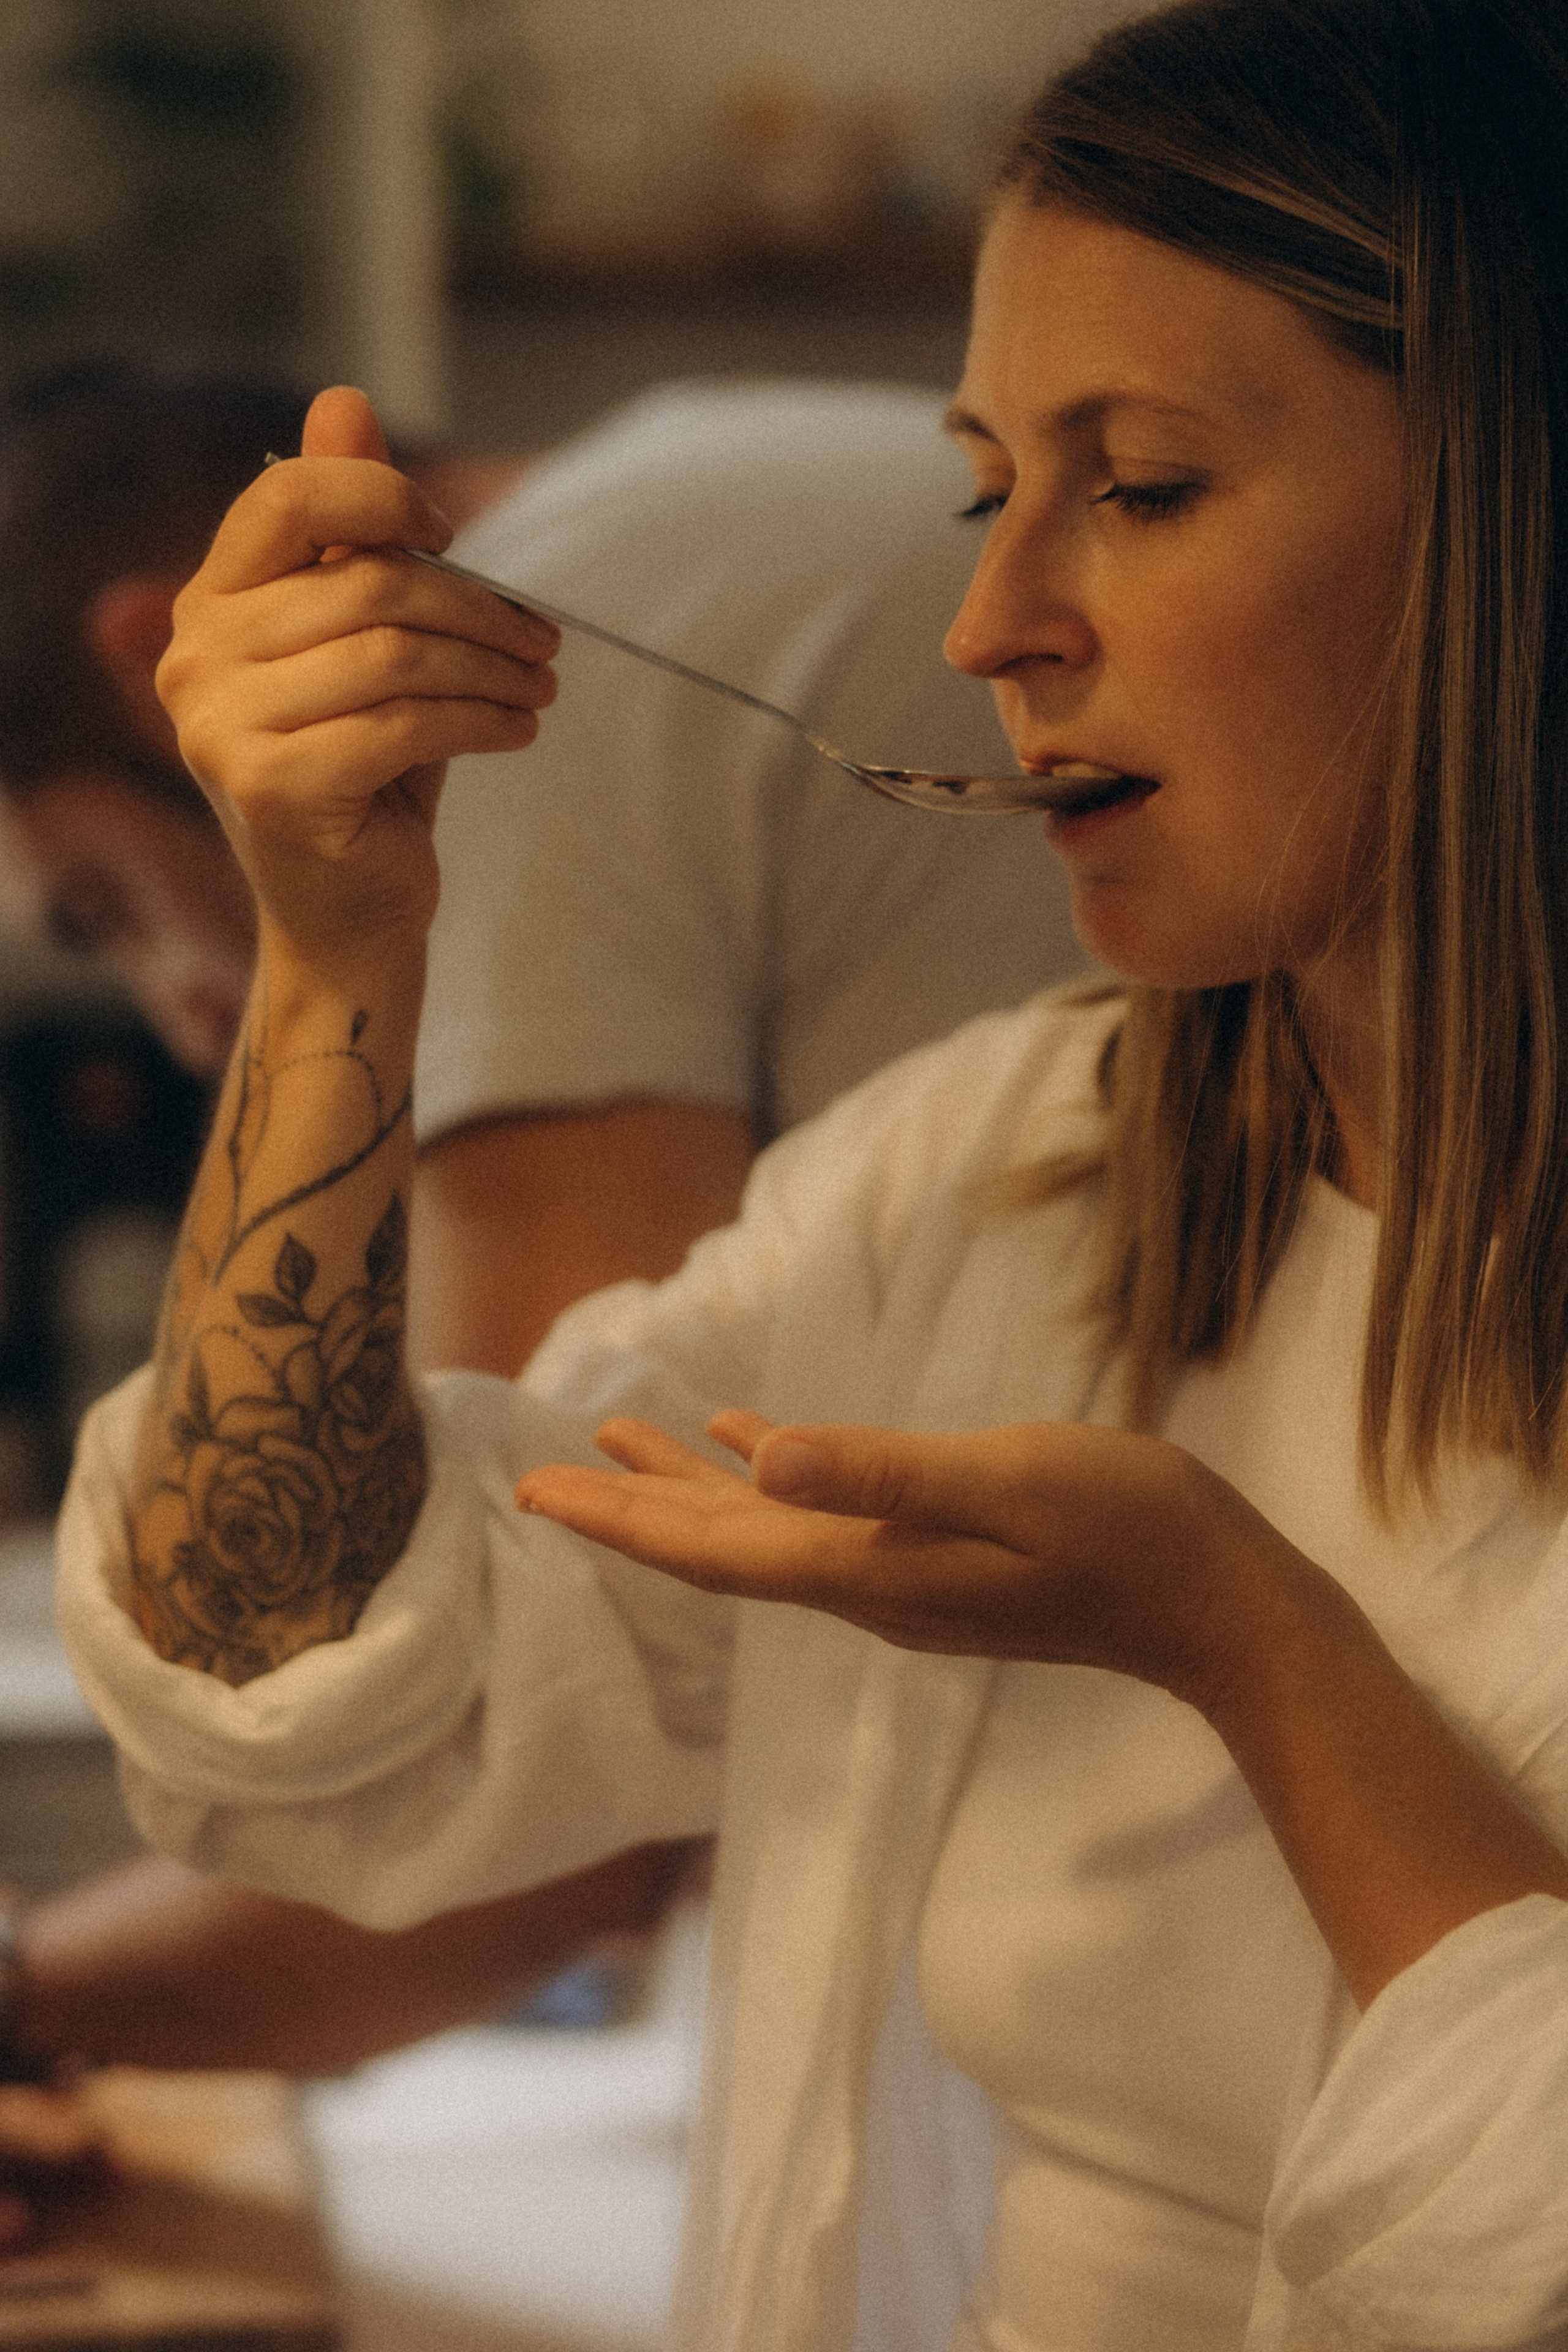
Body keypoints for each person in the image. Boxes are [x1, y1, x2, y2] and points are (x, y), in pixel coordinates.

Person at [59, 0, 1568, 2340]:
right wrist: (335, 961)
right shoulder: (1004, 1185)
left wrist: (1249, 1643)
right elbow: (312, 1681)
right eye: (989, 488)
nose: (991, 624)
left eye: (1140, 486)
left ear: (1514, 515)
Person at [0, 369, 1081, 2203]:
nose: (183, 1014)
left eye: (105, 906)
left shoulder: (517, 680)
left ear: (148, 659)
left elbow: (501, 1768)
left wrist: (19, 1999)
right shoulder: (693, 475)